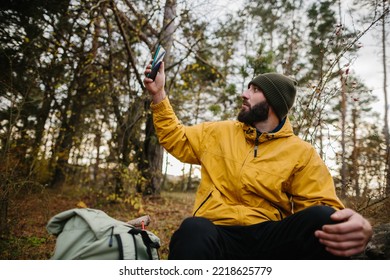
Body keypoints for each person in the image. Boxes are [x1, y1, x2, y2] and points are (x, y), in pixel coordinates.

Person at [143, 61, 373, 260]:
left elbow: (322, 206)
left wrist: (351, 225)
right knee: (193, 228)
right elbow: (175, 137)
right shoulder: (219, 132)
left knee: (322, 218)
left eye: (254, 90)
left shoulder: (301, 152)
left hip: (269, 237)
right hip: (217, 232)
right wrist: (158, 94)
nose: (244, 94)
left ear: (273, 102)